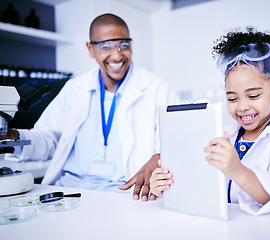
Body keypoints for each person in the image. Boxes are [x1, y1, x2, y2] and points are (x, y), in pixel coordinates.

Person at [1, 13, 178, 201]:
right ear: (90, 49)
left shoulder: (157, 88)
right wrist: (13, 137)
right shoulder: (75, 88)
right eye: (106, 46)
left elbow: (176, 141)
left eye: (124, 45)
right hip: (68, 192)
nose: (117, 54)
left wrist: (159, 157)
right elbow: (49, 138)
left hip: (123, 195)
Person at [149, 27, 270, 215]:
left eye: (253, 95)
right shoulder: (225, 135)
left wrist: (237, 170)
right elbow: (202, 187)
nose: (242, 106)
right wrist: (166, 186)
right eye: (232, 99)